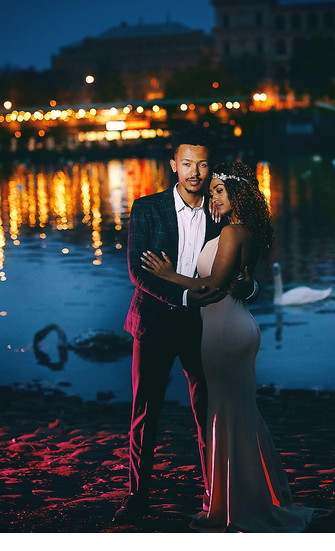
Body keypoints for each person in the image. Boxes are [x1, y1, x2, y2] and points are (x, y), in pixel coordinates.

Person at [141, 161, 322, 532]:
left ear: (238, 193)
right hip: (229, 328)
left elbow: (213, 287)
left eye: (220, 191)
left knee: (227, 417)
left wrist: (166, 275)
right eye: (212, 193)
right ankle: (248, 499)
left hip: (226, 332)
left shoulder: (233, 232)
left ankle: (236, 507)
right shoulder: (241, 231)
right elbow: (242, 282)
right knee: (239, 417)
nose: (213, 198)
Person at [115, 127, 256, 523]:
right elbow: (138, 274)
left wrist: (250, 286)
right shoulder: (147, 209)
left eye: (203, 164)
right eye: (187, 163)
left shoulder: (220, 214)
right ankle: (137, 496)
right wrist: (182, 296)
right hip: (154, 324)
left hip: (204, 327)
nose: (195, 172)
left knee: (206, 411)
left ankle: (215, 495)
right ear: (174, 165)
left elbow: (239, 271)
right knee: (145, 412)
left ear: (211, 168)